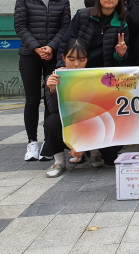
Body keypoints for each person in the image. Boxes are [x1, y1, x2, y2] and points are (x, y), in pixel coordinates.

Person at [14, 0, 71, 162]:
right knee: (31, 99)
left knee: (51, 99)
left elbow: (65, 27)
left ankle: (49, 142)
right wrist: (37, 48)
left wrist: (51, 47)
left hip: (52, 56)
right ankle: (32, 143)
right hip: (29, 55)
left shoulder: (62, 0)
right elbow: (20, 26)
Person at [42, 38, 124, 176]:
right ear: (63, 58)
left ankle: (94, 152)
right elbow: (54, 110)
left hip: (94, 125)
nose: (76, 64)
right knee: (51, 121)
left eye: (81, 60)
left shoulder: (95, 77)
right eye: (71, 59)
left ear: (87, 60)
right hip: (70, 125)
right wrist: (52, 90)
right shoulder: (55, 77)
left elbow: (101, 111)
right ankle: (59, 161)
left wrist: (85, 144)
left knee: (111, 157)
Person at [57, 0, 129, 68]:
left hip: (105, 71)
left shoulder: (121, 24)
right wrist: (61, 65)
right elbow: (66, 42)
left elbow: (121, 57)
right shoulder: (82, 15)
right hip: (80, 68)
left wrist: (120, 54)